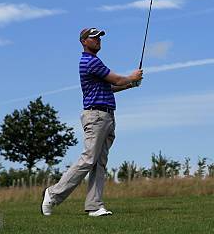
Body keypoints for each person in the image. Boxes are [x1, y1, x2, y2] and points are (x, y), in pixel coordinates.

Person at [41, 27, 143, 217]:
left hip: (106, 116)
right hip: (96, 116)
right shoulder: (89, 62)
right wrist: (131, 77)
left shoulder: (96, 62)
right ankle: (52, 194)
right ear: (83, 41)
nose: (98, 40)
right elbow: (116, 78)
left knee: (99, 163)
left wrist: (130, 84)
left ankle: (94, 206)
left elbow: (110, 87)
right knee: (88, 159)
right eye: (93, 37)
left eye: (99, 38)